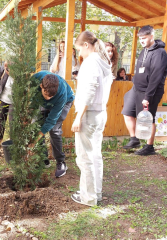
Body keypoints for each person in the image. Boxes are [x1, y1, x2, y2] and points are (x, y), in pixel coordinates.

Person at [70, 31, 113, 206]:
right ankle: (96, 192)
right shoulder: (103, 63)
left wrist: (78, 116)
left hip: (88, 115)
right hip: (100, 113)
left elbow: (90, 90)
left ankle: (88, 197)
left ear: (86, 45)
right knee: (95, 155)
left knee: (84, 157)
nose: (79, 54)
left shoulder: (90, 62)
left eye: (79, 49)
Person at [122, 25, 167, 155]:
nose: (142, 41)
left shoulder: (160, 53)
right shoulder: (144, 50)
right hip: (137, 89)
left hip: (150, 91)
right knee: (127, 112)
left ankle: (149, 147)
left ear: (151, 36)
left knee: (148, 119)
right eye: (140, 39)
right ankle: (134, 139)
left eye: (144, 38)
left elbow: (156, 77)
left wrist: (147, 96)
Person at [29, 71, 75, 177]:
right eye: (46, 94)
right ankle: (44, 159)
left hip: (65, 101)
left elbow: (51, 121)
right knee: (36, 125)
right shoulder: (35, 80)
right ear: (41, 86)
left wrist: (35, 140)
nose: (48, 98)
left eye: (51, 96)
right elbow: (30, 97)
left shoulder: (61, 94)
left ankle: (61, 162)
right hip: (42, 101)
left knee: (54, 130)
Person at [0, 61, 13, 147]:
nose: (6, 70)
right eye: (5, 68)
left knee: (12, 121)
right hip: (2, 99)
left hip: (14, 101)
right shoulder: (3, 69)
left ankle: (12, 142)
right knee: (0, 119)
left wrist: (13, 75)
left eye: (8, 68)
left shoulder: (19, 73)